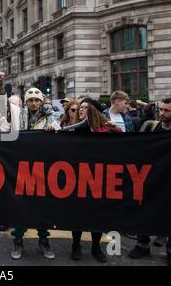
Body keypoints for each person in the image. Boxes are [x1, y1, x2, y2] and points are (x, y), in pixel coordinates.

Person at [129, 97, 171, 266]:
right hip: (150, 179)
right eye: (161, 109)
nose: (162, 113)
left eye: (166, 110)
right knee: (144, 211)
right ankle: (142, 244)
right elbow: (137, 147)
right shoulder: (150, 126)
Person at [10, 87, 61, 261]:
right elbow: (7, 133)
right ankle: (18, 240)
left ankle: (43, 240)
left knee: (42, 206)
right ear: (26, 102)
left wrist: (52, 131)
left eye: (36, 100)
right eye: (30, 100)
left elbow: (59, 136)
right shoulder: (18, 116)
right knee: (20, 205)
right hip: (21, 168)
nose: (33, 103)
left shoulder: (50, 117)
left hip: (43, 169)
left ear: (41, 101)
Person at [70, 98, 121, 263]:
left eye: (85, 107)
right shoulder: (75, 129)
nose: (81, 110)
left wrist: (116, 131)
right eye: (80, 108)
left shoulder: (105, 129)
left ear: (94, 110)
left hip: (99, 178)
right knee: (77, 214)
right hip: (78, 178)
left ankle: (95, 246)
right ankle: (76, 245)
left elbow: (125, 145)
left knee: (97, 214)